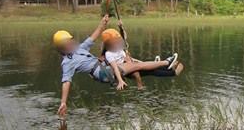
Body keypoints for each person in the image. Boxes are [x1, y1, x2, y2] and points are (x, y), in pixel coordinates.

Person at [53, 15, 183, 117]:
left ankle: (168, 71)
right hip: (104, 73)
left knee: (140, 69)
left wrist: (102, 23)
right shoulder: (67, 62)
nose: (70, 44)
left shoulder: (80, 48)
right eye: (67, 44)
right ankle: (166, 62)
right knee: (138, 66)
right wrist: (63, 102)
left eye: (70, 41)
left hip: (106, 67)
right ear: (61, 48)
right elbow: (66, 82)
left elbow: (94, 35)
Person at [100, 26, 180, 90]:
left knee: (150, 70)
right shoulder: (109, 53)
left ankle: (169, 70)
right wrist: (120, 80)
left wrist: (121, 28)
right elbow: (115, 68)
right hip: (127, 71)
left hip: (131, 64)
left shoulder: (118, 48)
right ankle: (166, 63)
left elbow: (124, 38)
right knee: (144, 69)